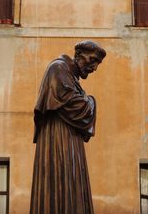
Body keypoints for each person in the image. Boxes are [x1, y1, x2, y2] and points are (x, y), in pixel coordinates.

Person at [30, 40, 106, 214]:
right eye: (92, 61)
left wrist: (88, 101)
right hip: (59, 136)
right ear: (79, 55)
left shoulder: (69, 76)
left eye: (97, 64)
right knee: (62, 183)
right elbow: (76, 106)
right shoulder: (58, 68)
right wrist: (91, 102)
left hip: (69, 136)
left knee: (72, 185)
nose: (94, 68)